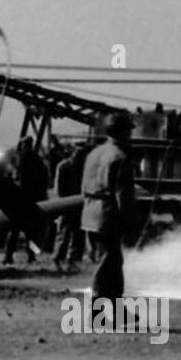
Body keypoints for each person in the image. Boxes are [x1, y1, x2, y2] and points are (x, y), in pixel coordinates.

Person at [80, 112, 135, 300]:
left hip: (89, 213)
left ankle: (116, 309)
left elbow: (83, 186)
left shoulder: (94, 153)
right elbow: (123, 195)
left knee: (111, 261)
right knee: (108, 262)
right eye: (129, 131)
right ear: (122, 132)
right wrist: (129, 223)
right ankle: (98, 311)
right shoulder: (120, 157)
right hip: (108, 216)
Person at [3, 137, 48, 265]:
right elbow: (44, 179)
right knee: (31, 232)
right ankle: (32, 256)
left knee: (14, 231)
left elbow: (9, 178)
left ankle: (8, 256)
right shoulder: (37, 159)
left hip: (17, 200)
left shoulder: (17, 159)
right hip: (32, 199)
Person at [53, 140, 92, 268]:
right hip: (67, 204)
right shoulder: (63, 166)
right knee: (64, 234)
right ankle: (58, 259)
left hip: (79, 205)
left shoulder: (84, 168)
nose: (81, 155)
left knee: (78, 235)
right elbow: (59, 189)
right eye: (79, 152)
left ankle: (72, 260)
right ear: (74, 152)